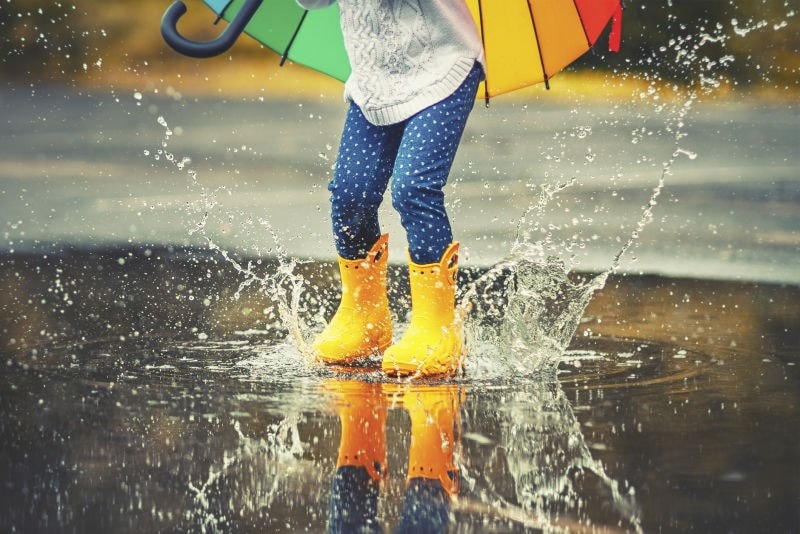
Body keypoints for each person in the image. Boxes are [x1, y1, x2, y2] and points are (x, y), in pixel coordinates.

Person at [296, 0, 485, 377]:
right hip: (375, 82)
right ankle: (365, 318)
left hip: (442, 66)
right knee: (351, 195)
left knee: (414, 189)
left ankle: (437, 326)